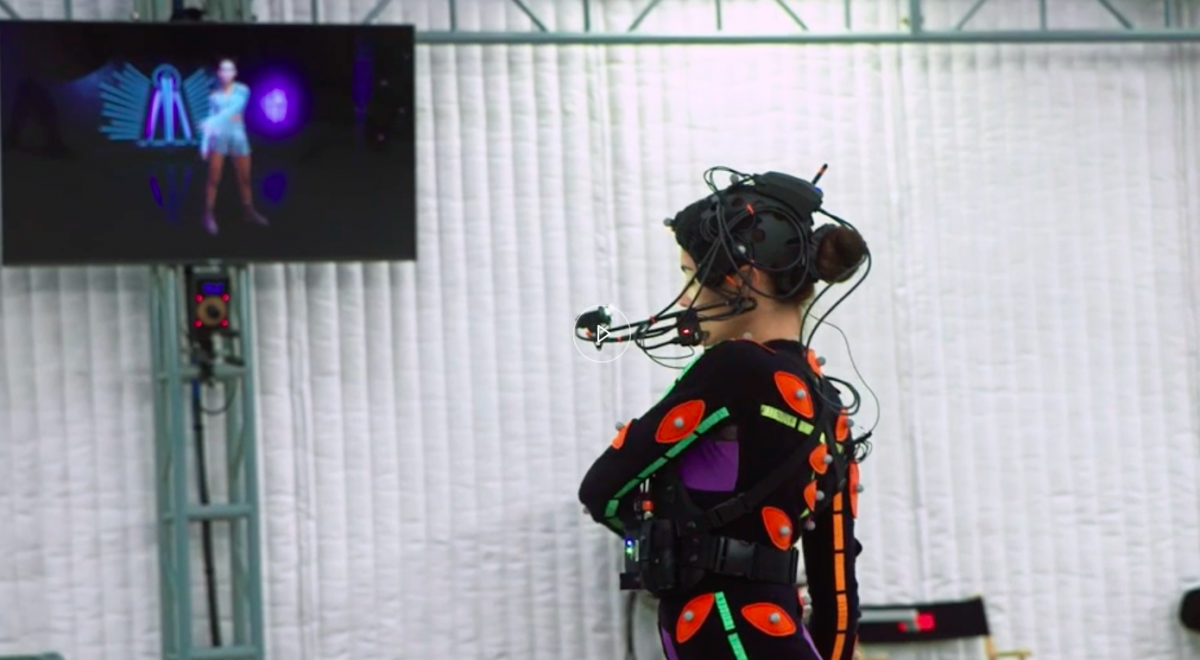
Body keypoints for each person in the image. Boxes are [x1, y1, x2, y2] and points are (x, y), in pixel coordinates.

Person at [578, 169, 870, 660]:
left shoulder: (734, 366)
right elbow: (838, 598)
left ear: (743, 276)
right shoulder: (830, 404)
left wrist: (665, 541)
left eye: (690, 275)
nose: (686, 298)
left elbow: (601, 490)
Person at [199, 58, 268, 235]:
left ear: (235, 73)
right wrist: (204, 144)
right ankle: (208, 214)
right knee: (213, 178)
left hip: (238, 136)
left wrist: (212, 121)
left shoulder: (243, 90)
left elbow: (234, 109)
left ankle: (248, 210)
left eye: (230, 69)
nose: (226, 73)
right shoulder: (214, 96)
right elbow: (211, 118)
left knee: (245, 177)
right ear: (219, 73)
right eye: (223, 70)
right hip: (219, 137)